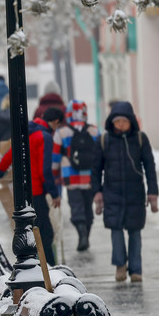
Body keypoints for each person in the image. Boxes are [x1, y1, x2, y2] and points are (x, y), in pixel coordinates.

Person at [91, 101, 158, 283]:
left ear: (131, 122)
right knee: (116, 231)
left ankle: (136, 270)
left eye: (124, 121)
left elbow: (150, 166)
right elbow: (96, 169)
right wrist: (97, 193)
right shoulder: (104, 141)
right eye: (117, 121)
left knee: (135, 232)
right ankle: (120, 266)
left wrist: (153, 192)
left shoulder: (140, 139)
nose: (120, 125)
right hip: (112, 193)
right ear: (111, 122)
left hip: (135, 194)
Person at [0, 108, 61, 265]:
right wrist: (54, 193)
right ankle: (49, 270)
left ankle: (34, 266)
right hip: (35, 192)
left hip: (20, 192)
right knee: (45, 233)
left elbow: (10, 154)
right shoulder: (44, 137)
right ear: (56, 122)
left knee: (27, 232)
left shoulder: (26, 133)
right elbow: (45, 170)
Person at [52, 100, 100, 251]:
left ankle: (82, 235)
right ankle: (86, 235)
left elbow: (55, 157)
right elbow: (100, 154)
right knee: (87, 207)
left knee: (76, 206)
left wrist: (55, 174)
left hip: (70, 176)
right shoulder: (94, 131)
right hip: (90, 176)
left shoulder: (62, 132)